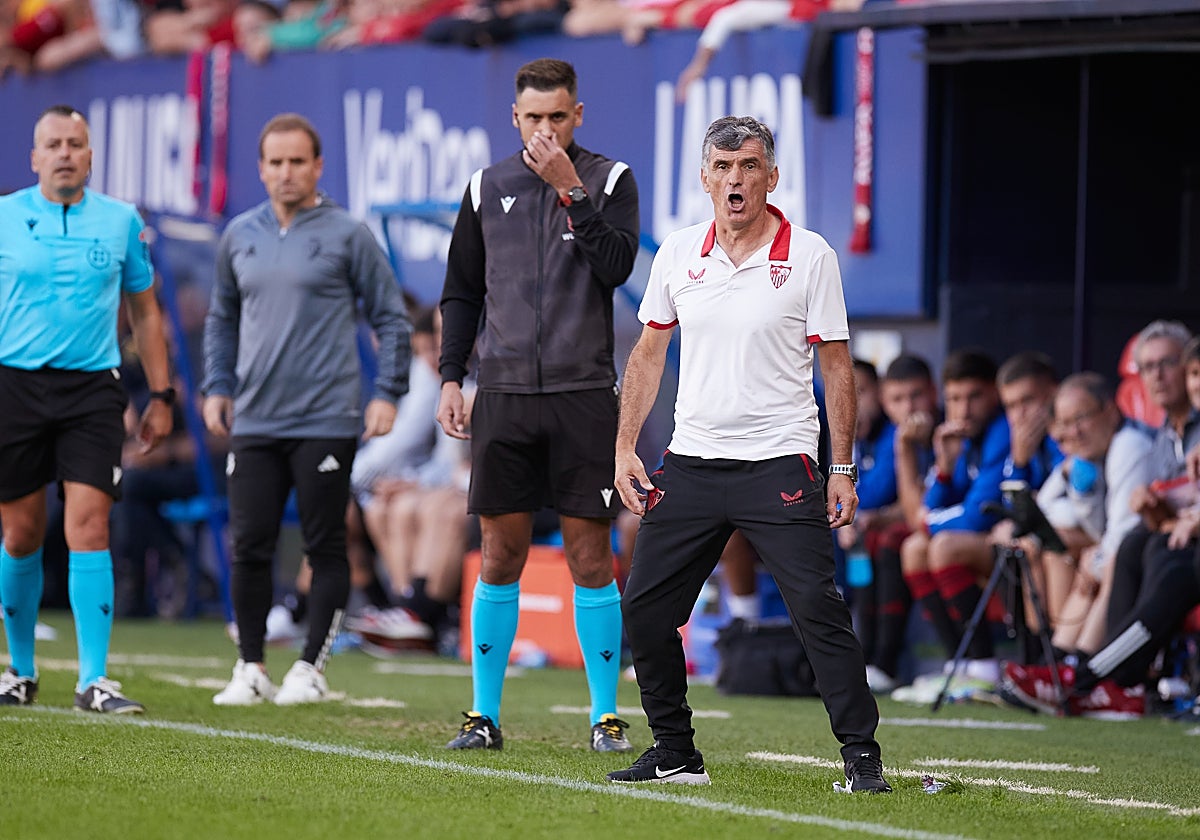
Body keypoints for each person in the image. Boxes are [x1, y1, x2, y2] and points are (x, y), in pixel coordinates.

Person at [609, 115, 890, 792]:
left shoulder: (812, 255)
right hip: (694, 461)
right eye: (724, 168)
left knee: (817, 613)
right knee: (645, 612)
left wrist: (841, 465)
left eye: (749, 167)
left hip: (780, 463)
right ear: (705, 178)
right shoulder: (678, 252)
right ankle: (675, 752)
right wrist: (623, 447)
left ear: (771, 176)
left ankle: (861, 760)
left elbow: (838, 368)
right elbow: (648, 355)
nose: (736, 180)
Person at [437, 57, 639, 752]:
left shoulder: (610, 179)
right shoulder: (484, 187)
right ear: (514, 118)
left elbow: (616, 266)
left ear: (578, 115)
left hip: (584, 396)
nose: (546, 128)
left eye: (559, 116)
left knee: (590, 555)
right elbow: (461, 293)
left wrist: (571, 191)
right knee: (499, 554)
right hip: (505, 396)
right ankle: (482, 716)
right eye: (534, 117)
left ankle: (604, 717)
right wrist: (449, 378)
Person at [202, 112, 411, 706]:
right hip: (256, 418)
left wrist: (388, 393)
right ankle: (249, 667)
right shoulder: (239, 234)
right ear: (262, 168)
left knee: (324, 545)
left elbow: (391, 317)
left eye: (298, 161)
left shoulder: (348, 234)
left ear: (318, 166)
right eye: (276, 162)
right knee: (249, 545)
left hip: (326, 418)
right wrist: (217, 386)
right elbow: (222, 318)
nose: (286, 172)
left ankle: (311, 667)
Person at [0, 104, 172, 713]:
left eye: (76, 143)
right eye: (55, 144)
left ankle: (93, 679)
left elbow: (147, 311)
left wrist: (162, 393)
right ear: (35, 156)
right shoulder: (4, 217)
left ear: (91, 155)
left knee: (89, 526)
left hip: (92, 391)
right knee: (20, 535)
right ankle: (19, 671)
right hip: (14, 389)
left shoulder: (121, 221)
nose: (66, 153)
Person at [1003, 327, 1200, 718]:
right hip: (1162, 543)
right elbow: (1045, 510)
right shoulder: (1166, 435)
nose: (1159, 375)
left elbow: (1126, 527)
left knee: (1123, 551)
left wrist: (1184, 516)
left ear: (1110, 410)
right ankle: (1067, 666)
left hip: (1174, 550)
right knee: (1126, 547)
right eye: (1147, 367)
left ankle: (1085, 678)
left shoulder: (1132, 443)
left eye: (1169, 364)